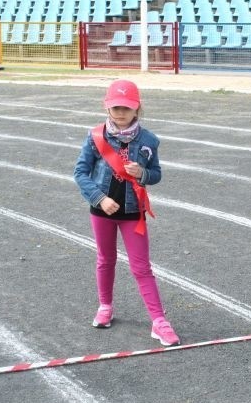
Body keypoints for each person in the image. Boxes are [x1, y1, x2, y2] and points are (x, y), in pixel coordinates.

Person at [74, 80, 180, 346]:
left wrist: (142, 173)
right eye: (115, 108)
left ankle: (159, 321)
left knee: (142, 267)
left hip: (134, 212)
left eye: (126, 108)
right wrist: (100, 198)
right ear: (106, 107)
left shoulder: (149, 140)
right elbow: (80, 173)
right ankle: (105, 306)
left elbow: (156, 174)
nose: (120, 113)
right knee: (105, 260)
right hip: (102, 211)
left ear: (137, 109)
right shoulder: (95, 136)